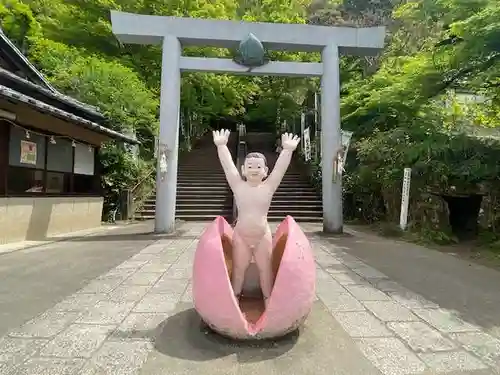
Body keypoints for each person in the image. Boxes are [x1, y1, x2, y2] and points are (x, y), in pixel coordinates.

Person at [213, 129, 300, 305]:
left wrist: (287, 150)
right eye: (250, 166)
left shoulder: (268, 187)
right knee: (239, 270)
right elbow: (229, 167)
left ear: (265, 171)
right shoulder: (238, 186)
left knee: (265, 270)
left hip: (262, 236)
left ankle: (268, 299)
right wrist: (221, 146)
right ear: (243, 170)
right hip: (241, 236)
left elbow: (280, 170)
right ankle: (235, 299)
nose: (254, 170)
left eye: (258, 167)